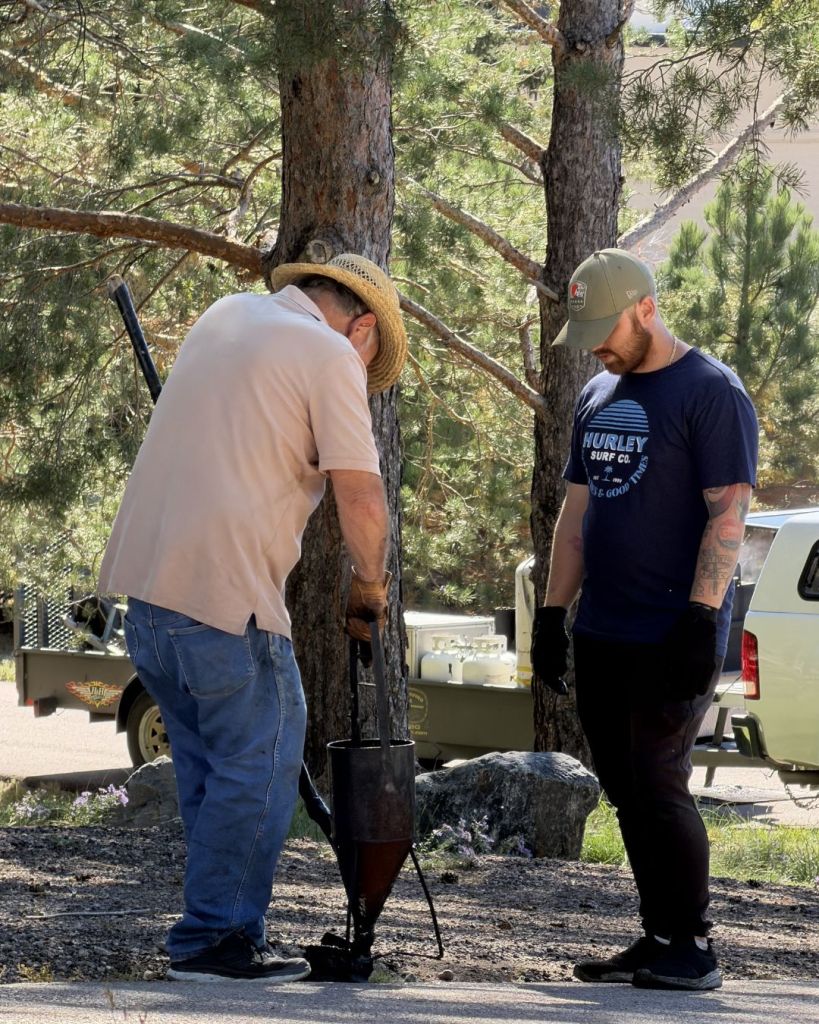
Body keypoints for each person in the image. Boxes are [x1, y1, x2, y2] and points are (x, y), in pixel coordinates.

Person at [99, 253, 406, 983]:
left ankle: (221, 931)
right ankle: (214, 938)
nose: (361, 376)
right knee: (261, 763)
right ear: (360, 325)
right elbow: (360, 497)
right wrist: (370, 585)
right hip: (224, 599)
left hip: (146, 596)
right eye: (370, 359)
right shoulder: (329, 352)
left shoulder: (227, 314)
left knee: (213, 767)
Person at [531, 248, 758, 992]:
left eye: (607, 328)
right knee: (624, 784)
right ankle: (657, 933)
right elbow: (576, 513)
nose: (597, 345)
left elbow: (728, 514)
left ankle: (692, 947)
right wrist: (551, 614)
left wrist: (701, 618)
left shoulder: (710, 391)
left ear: (646, 309)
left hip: (671, 627)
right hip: (603, 625)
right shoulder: (597, 391)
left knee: (658, 780)